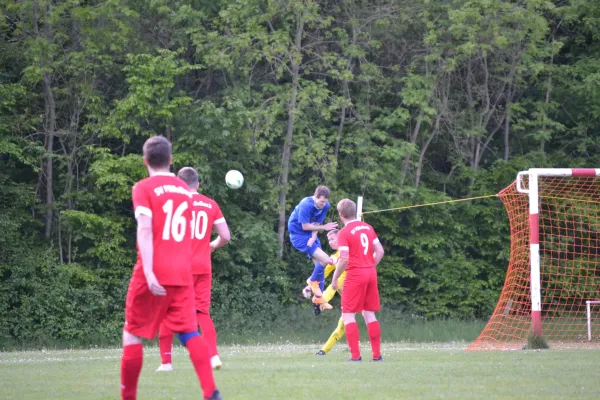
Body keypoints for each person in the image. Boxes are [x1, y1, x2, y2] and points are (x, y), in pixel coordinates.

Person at [120, 136, 221, 400]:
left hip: (151, 271)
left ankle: (128, 396)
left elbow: (144, 229)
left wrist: (150, 271)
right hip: (182, 273)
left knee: (132, 334)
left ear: (145, 161)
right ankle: (211, 392)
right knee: (189, 332)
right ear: (171, 160)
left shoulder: (143, 187)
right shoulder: (184, 191)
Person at [156, 167, 231, 372]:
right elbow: (225, 236)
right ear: (198, 183)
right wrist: (213, 245)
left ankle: (166, 363)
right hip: (202, 267)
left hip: (177, 267)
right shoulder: (210, 204)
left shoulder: (172, 204)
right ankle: (213, 355)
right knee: (201, 313)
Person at [331, 198, 385, 362]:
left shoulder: (344, 233)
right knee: (369, 314)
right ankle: (377, 356)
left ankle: (356, 357)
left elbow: (344, 259)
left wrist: (335, 278)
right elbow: (380, 251)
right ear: (354, 212)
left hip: (355, 275)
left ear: (341, 215)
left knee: (348, 315)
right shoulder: (368, 227)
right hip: (370, 273)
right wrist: (369, 265)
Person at [288, 186, 338, 314]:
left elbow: (315, 224)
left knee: (319, 268)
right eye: (321, 201)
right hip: (298, 235)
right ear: (315, 197)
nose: (324, 204)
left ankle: (318, 301)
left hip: (310, 235)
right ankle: (311, 282)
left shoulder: (325, 206)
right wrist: (325, 227)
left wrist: (313, 237)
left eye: (326, 201)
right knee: (327, 260)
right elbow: (305, 226)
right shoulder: (306, 204)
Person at [313, 229, 347, 355]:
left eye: (333, 239)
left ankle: (321, 303)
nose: (331, 242)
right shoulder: (333, 258)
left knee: (335, 283)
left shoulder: (349, 254)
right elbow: (322, 273)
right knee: (342, 326)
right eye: (329, 240)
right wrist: (309, 285)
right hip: (346, 296)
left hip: (356, 291)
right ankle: (324, 350)